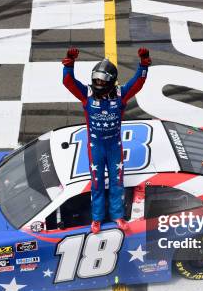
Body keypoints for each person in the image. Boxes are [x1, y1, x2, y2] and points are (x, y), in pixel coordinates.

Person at [62, 47, 151, 233]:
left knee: (117, 183)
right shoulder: (86, 94)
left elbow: (138, 83)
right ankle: (96, 219)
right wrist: (69, 63)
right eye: (95, 79)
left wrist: (143, 65)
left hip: (114, 147)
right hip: (96, 147)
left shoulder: (121, 94)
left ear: (110, 81)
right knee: (97, 184)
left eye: (101, 80)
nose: (97, 82)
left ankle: (118, 216)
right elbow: (68, 82)